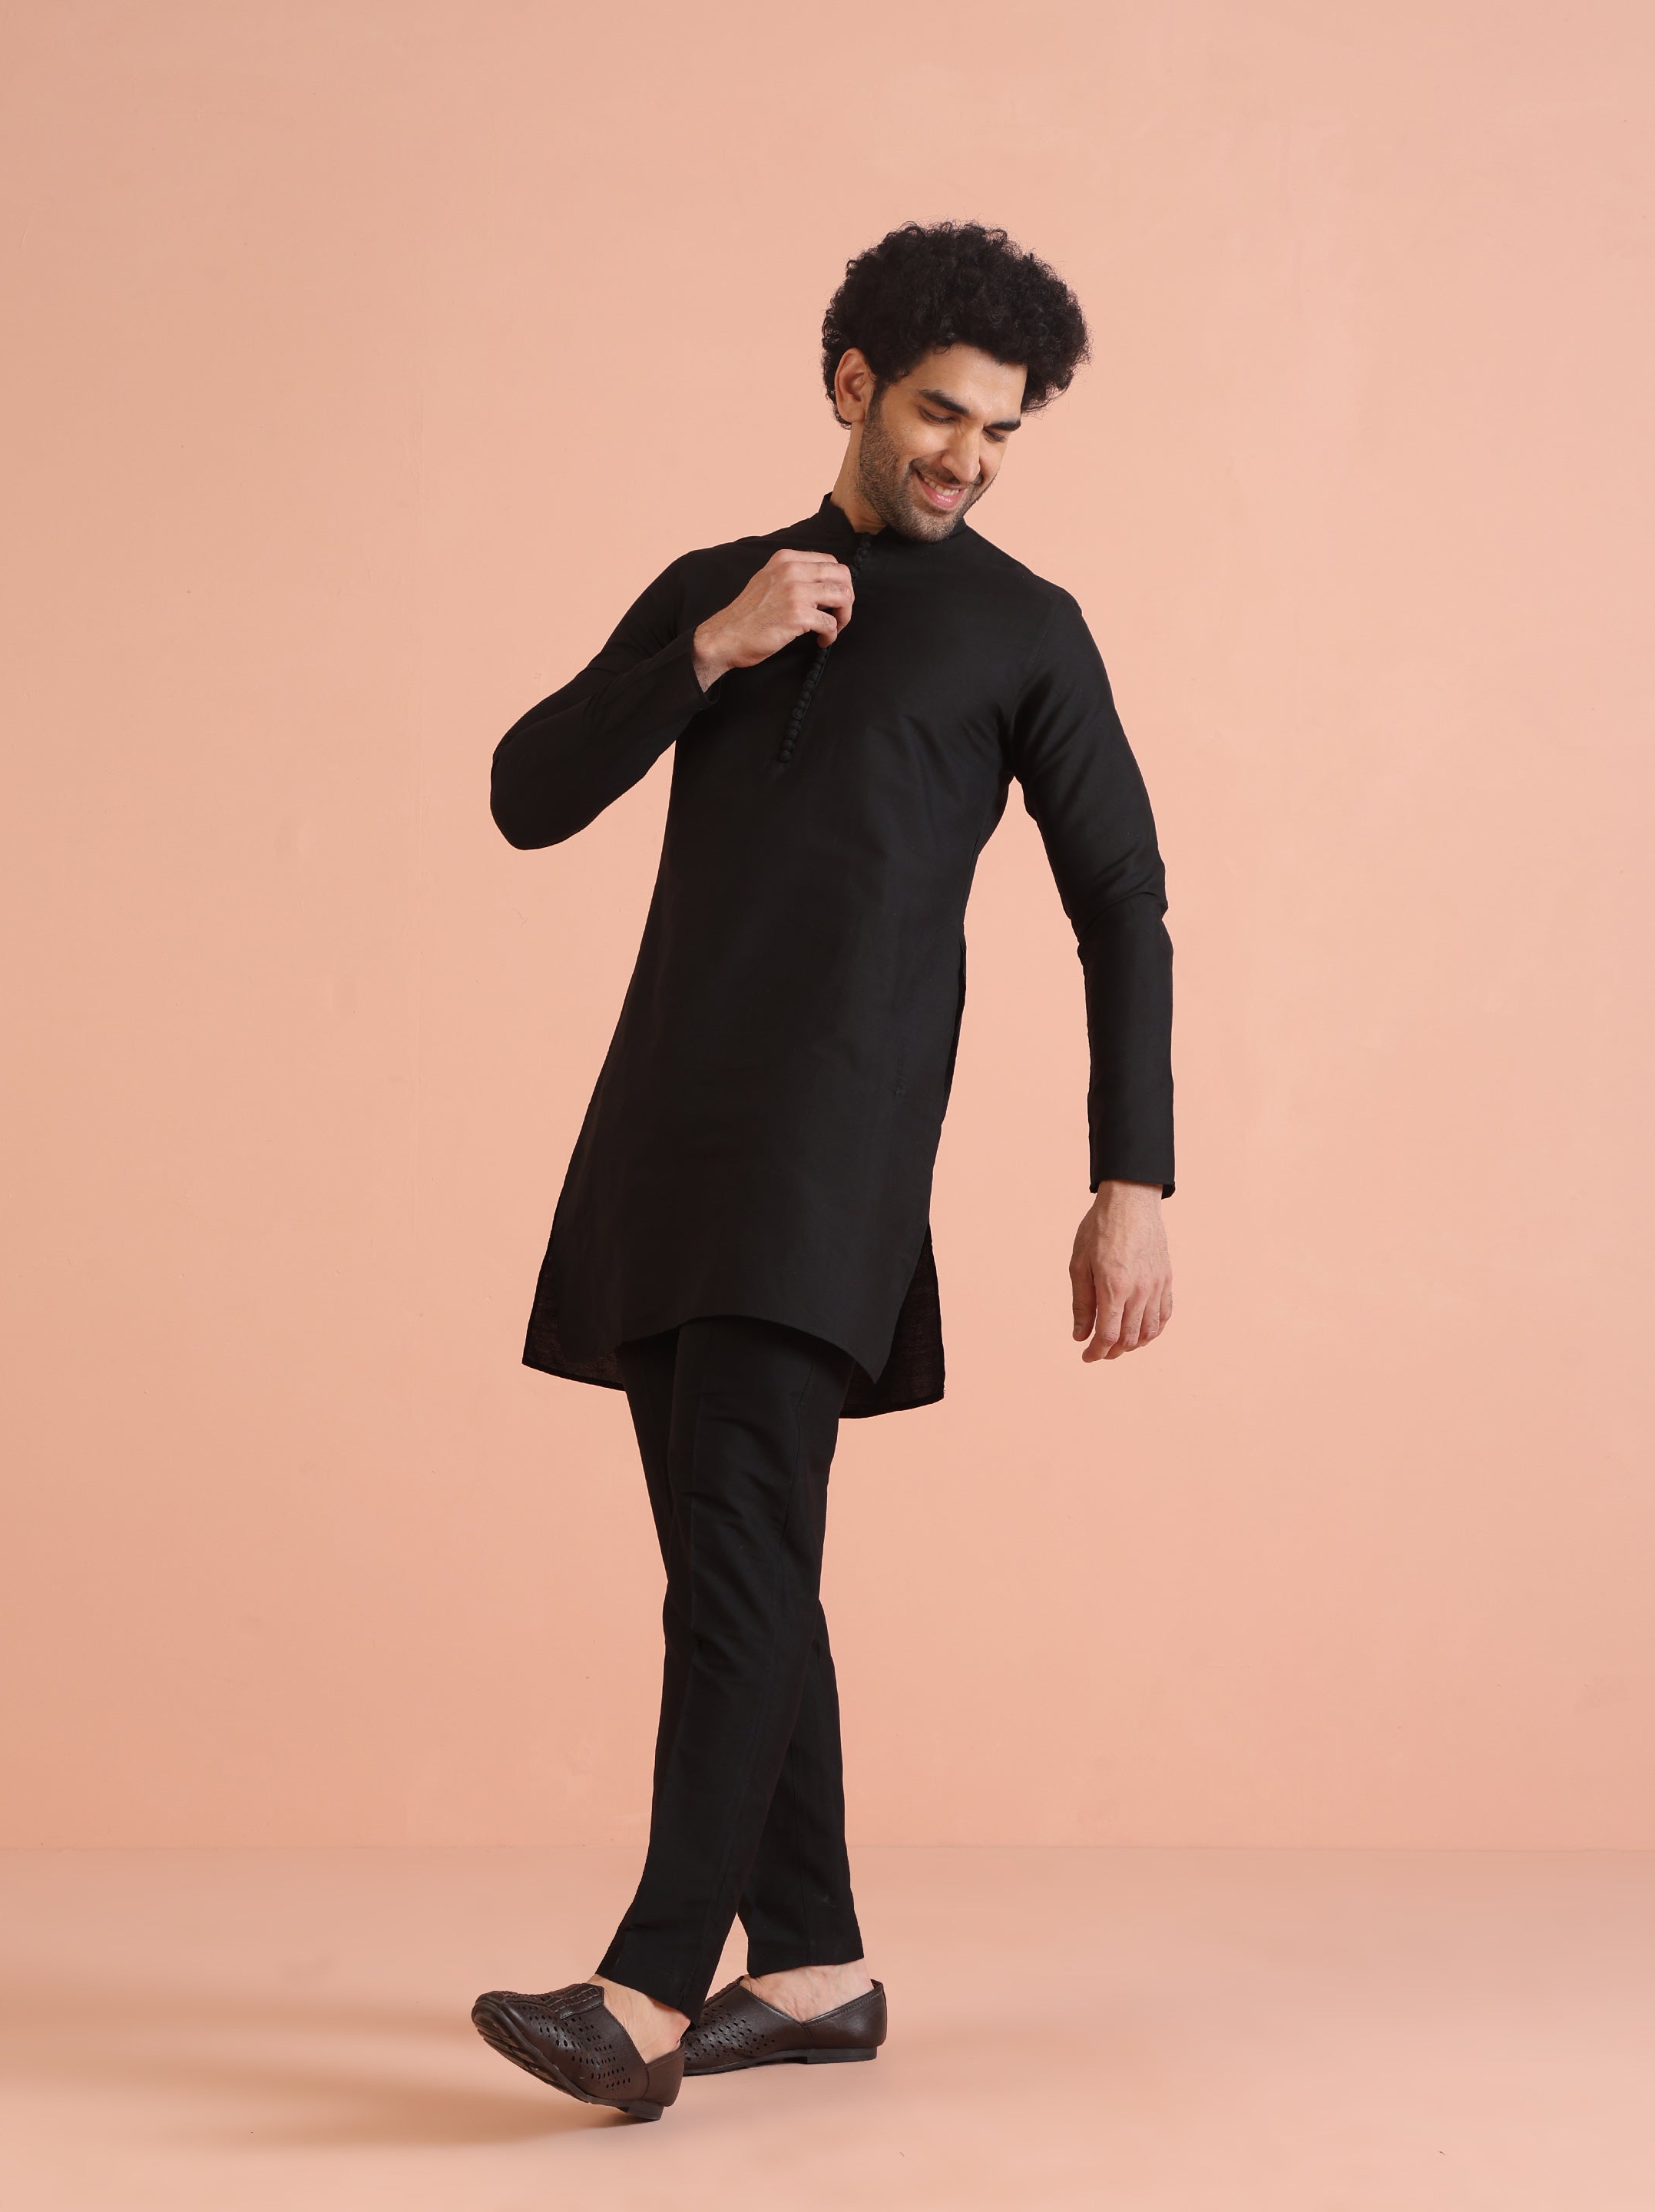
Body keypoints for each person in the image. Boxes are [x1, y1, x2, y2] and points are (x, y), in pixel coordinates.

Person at [471, 220, 1175, 2121]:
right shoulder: (722, 589)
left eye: (1002, 430)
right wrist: (712, 647)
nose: (969, 457)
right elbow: (527, 794)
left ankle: (644, 1992)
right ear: (854, 385)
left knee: (736, 1565)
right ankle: (814, 1962)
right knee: (743, 1563)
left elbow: (1122, 899)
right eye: (942, 413)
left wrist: (1134, 1176)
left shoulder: (1027, 629)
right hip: (663, 1141)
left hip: (835, 1154)